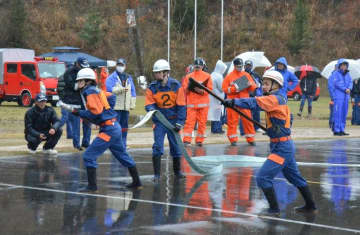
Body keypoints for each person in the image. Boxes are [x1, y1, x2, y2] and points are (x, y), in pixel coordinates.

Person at [223, 70, 316, 216]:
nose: (263, 87)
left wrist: (234, 102)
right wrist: (275, 128)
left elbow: (255, 102)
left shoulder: (275, 99)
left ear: (276, 85)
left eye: (266, 84)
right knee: (294, 177)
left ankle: (274, 209)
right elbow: (288, 118)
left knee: (263, 178)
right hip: (283, 145)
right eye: (263, 83)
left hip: (282, 148)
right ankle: (311, 206)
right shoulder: (279, 98)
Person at [60, 68, 141, 192]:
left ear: (87, 81)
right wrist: (107, 112)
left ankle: (92, 187)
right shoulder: (97, 90)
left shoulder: (89, 91)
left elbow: (95, 112)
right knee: (123, 155)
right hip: (114, 127)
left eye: (80, 81)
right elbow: (112, 98)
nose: (78, 83)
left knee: (88, 155)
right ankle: (137, 182)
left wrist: (75, 111)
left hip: (108, 130)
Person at [145, 59, 186, 181]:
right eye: (155, 72)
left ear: (166, 73)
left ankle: (177, 172)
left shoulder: (176, 86)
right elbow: (148, 104)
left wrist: (180, 122)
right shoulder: (152, 87)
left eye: (158, 72)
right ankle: (157, 175)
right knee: (157, 146)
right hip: (160, 122)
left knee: (176, 147)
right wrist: (152, 109)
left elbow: (182, 105)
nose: (156, 74)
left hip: (173, 122)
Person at [58, 57, 92, 151]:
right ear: (77, 64)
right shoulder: (69, 72)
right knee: (76, 124)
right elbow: (73, 86)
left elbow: (91, 84)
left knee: (87, 123)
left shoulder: (87, 71)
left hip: (85, 101)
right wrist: (81, 84)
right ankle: (76, 145)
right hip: (73, 102)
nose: (83, 68)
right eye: (82, 66)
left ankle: (86, 143)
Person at [222, 58, 257, 146]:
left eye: (241, 66)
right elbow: (224, 89)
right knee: (232, 121)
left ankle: (250, 139)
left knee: (248, 120)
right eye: (238, 66)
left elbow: (253, 87)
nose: (240, 68)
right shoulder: (229, 76)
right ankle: (233, 139)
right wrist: (236, 88)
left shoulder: (246, 75)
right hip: (233, 102)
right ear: (234, 66)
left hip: (244, 101)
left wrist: (251, 85)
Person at [106, 58, 136, 148]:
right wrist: (121, 89)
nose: (120, 67)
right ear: (116, 66)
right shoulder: (111, 78)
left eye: (122, 65)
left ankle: (123, 144)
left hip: (125, 107)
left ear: (125, 66)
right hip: (116, 106)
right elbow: (109, 90)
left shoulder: (128, 77)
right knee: (116, 127)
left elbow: (133, 90)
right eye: (119, 65)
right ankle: (115, 144)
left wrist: (132, 103)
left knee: (124, 127)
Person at [182, 58, 212, 146]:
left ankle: (199, 140)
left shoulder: (207, 76)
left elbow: (210, 89)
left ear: (202, 66)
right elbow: (185, 90)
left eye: (199, 66)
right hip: (192, 105)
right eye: (196, 66)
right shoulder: (188, 77)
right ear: (194, 66)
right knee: (189, 123)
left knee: (202, 123)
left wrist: (202, 91)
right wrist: (189, 88)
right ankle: (187, 140)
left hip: (203, 105)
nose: (198, 68)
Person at [329, 58, 353, 136]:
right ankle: (336, 130)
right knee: (337, 113)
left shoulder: (348, 74)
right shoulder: (335, 74)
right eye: (342, 65)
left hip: (346, 97)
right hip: (338, 96)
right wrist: (345, 89)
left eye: (345, 65)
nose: (344, 66)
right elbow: (337, 83)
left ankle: (342, 129)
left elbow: (350, 82)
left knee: (344, 113)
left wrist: (349, 88)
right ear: (339, 66)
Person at [208, 60, 227, 134]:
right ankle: (217, 129)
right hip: (217, 98)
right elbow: (222, 88)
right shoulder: (219, 76)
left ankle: (214, 129)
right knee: (218, 114)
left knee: (214, 115)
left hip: (212, 97)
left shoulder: (212, 74)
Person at [244, 59, 263, 132]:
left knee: (256, 112)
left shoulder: (255, 74)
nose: (248, 67)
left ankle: (257, 127)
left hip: (255, 96)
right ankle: (247, 128)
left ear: (251, 66)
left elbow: (261, 84)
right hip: (246, 96)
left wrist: (259, 86)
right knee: (247, 113)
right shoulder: (242, 74)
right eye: (246, 65)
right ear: (244, 66)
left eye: (249, 65)